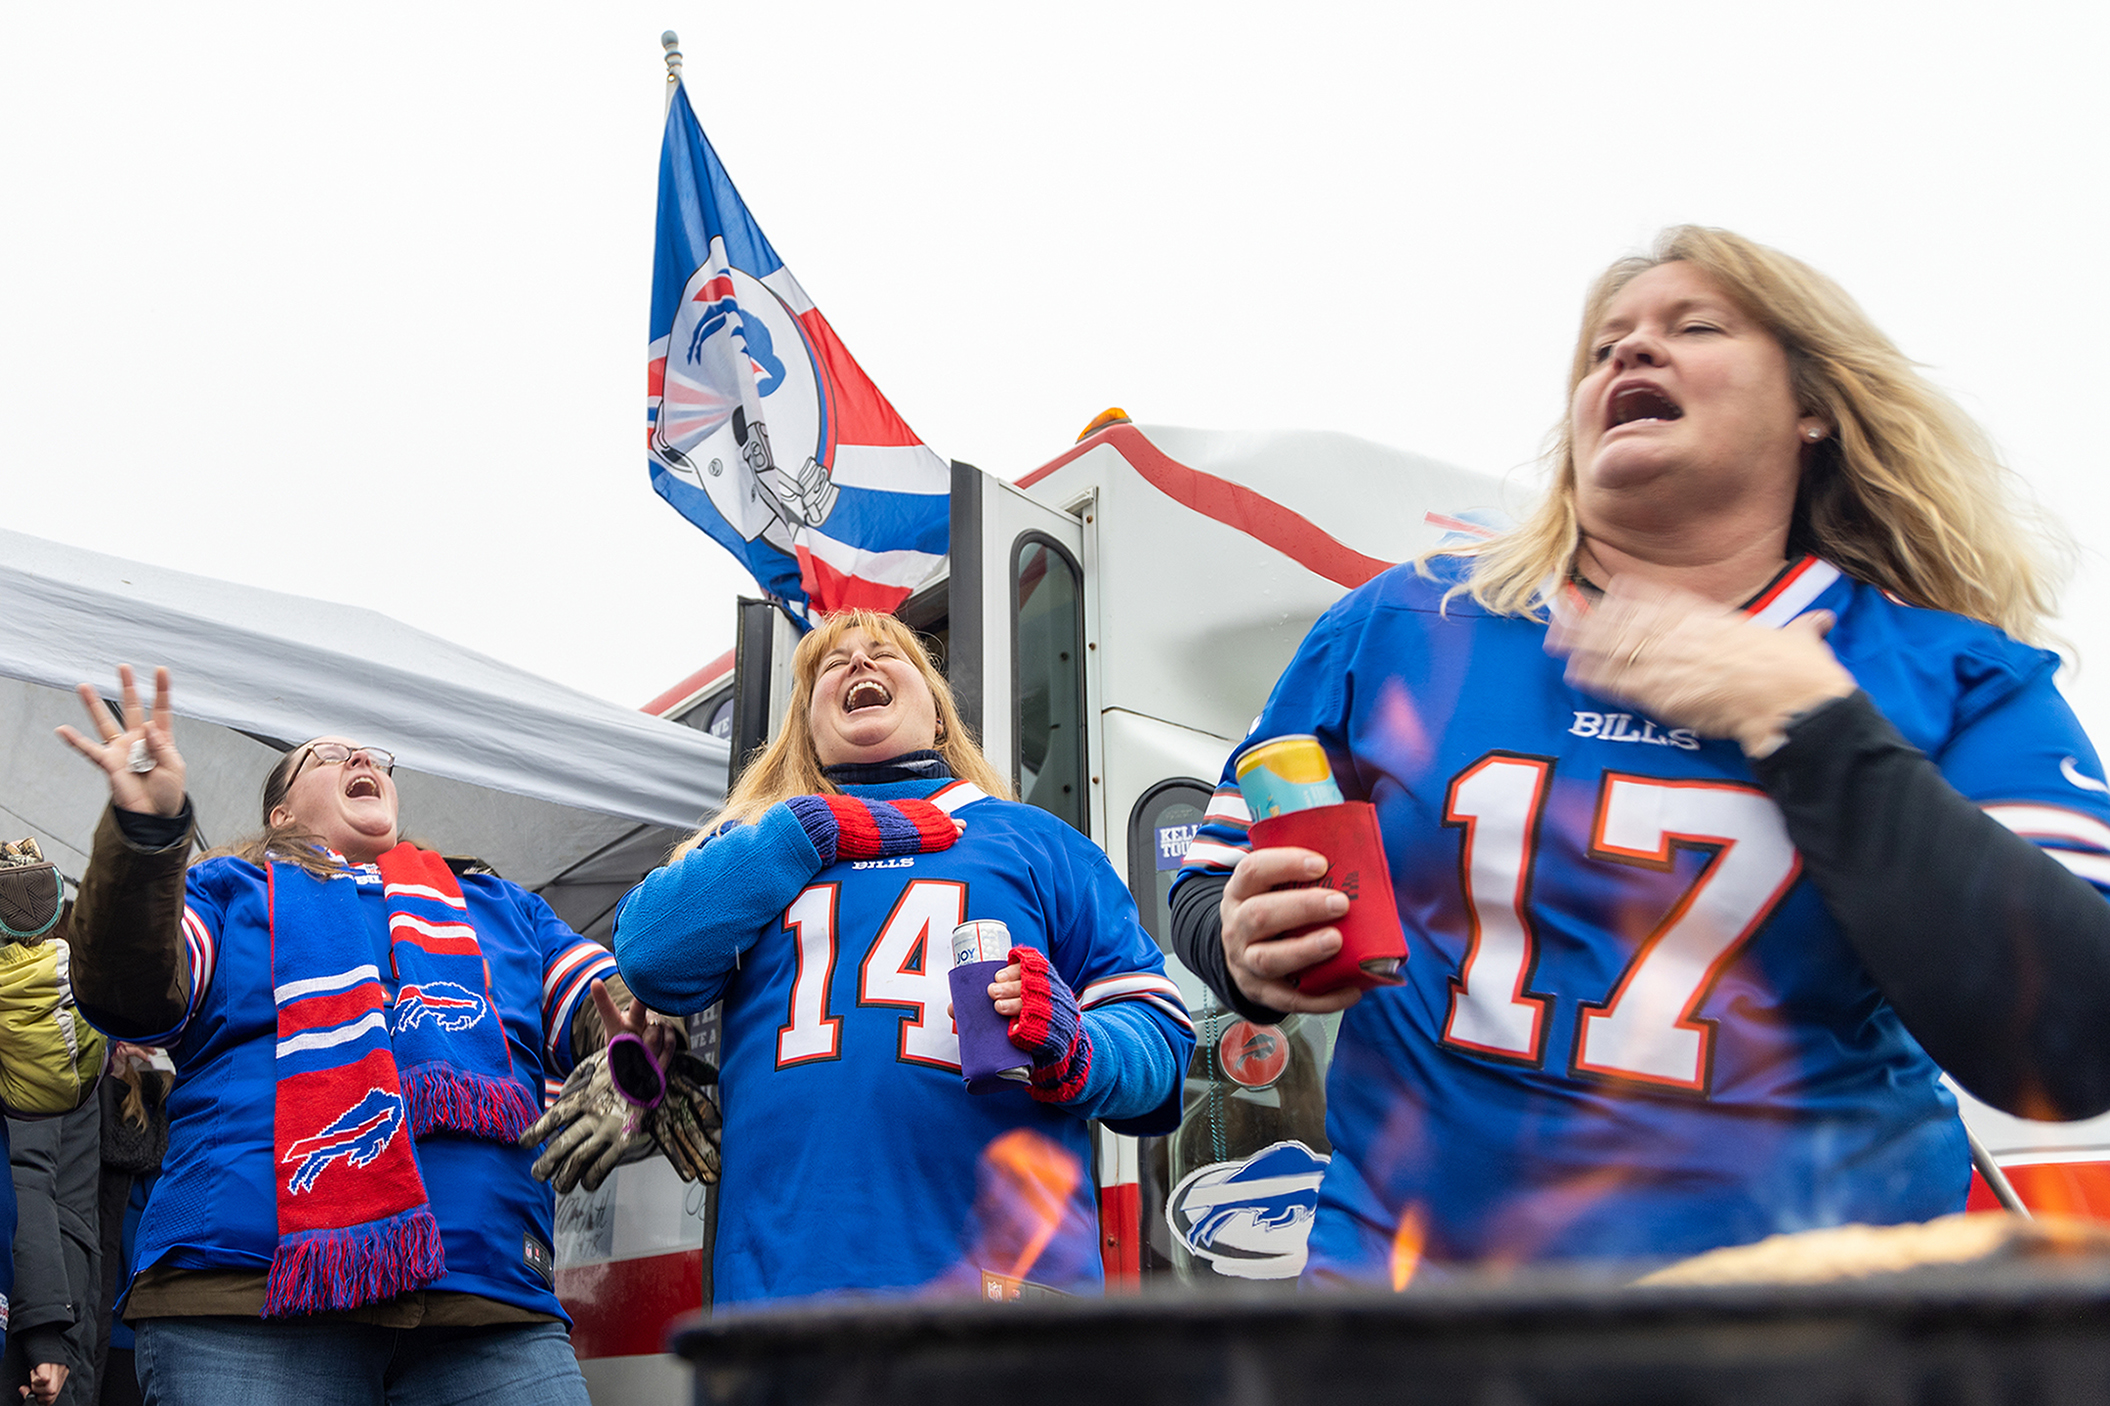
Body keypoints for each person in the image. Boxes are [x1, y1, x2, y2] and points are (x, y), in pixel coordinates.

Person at [1171, 225, 2110, 1281]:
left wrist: (1811, 722)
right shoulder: (1404, 621)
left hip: (1813, 1319)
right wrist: (1247, 952)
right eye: (1603, 345)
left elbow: (2069, 1040)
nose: (1629, 354)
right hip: (1416, 1303)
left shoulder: (1956, 674)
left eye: (1693, 326)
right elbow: (1209, 879)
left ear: (1813, 405)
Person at [57, 666, 675, 1406]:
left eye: (371, 758)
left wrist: (639, 1039)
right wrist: (147, 839)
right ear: (281, 815)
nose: (359, 760)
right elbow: (129, 991)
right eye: (324, 755)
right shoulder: (227, 892)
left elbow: (602, 1005)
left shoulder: (503, 907)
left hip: (488, 1307)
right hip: (246, 1300)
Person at [614, 609, 1194, 1306]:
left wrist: (1082, 1048)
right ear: (806, 729)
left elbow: (1162, 1049)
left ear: (940, 718)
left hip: (1010, 1294)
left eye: (886, 653)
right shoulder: (758, 849)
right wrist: (807, 830)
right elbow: (649, 952)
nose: (858, 663)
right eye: (832, 663)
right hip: (787, 1295)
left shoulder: (1038, 841)